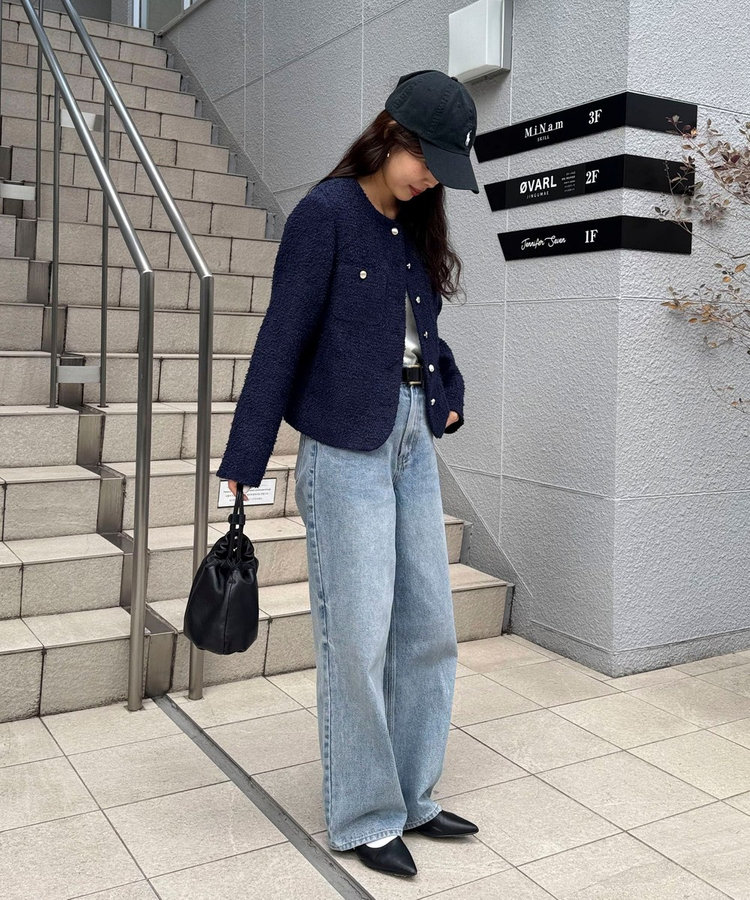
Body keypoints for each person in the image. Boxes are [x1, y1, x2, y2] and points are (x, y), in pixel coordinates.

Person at [216, 70, 480, 878]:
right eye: (425, 161)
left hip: (411, 439)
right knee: (359, 637)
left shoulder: (413, 225)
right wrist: (246, 458)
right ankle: (367, 813)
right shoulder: (324, 214)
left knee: (429, 629)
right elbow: (281, 338)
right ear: (389, 133)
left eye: (440, 169)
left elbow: (425, 337)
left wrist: (447, 398)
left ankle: (413, 795)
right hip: (343, 448)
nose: (429, 179)